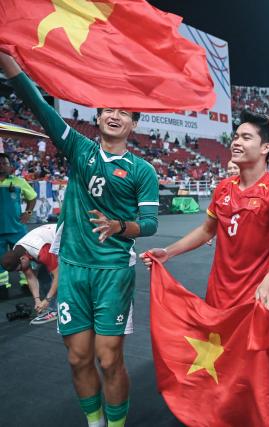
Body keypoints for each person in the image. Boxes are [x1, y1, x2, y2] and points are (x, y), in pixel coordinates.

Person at [0, 52, 159, 427]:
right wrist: (7, 60)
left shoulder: (143, 170)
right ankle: (95, 421)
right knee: (77, 358)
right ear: (98, 116)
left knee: (109, 358)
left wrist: (119, 226)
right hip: (71, 269)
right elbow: (36, 105)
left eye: (123, 111)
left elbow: (149, 224)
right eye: (107, 109)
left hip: (112, 272)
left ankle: (116, 425)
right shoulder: (79, 148)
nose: (114, 115)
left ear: (133, 123)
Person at [142, 111, 269, 425]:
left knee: (258, 381)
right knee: (220, 373)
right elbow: (206, 231)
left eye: (246, 137)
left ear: (266, 148)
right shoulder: (224, 188)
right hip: (218, 301)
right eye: (236, 136)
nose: (236, 142)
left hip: (256, 306)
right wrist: (168, 252)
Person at [1, 223, 59, 324]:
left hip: (69, 238)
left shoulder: (40, 251)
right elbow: (30, 277)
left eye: (20, 269)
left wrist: (47, 300)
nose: (20, 271)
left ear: (22, 259)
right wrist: (37, 300)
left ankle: (57, 308)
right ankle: (53, 307)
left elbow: (58, 276)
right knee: (42, 275)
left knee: (61, 274)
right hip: (49, 240)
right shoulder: (17, 251)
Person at [0, 152, 36, 292]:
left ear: (10, 167)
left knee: (23, 256)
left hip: (17, 229)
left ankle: (26, 282)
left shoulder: (19, 181)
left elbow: (32, 198)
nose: (1, 166)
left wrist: (28, 213)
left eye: (5, 163)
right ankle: (3, 286)